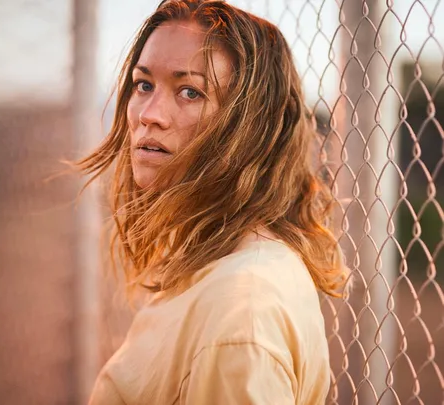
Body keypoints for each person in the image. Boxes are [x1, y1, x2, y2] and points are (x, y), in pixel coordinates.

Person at [78, 0, 348, 403]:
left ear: (252, 126)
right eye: (144, 84)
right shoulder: (207, 258)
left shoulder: (244, 313)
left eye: (190, 92)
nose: (150, 115)